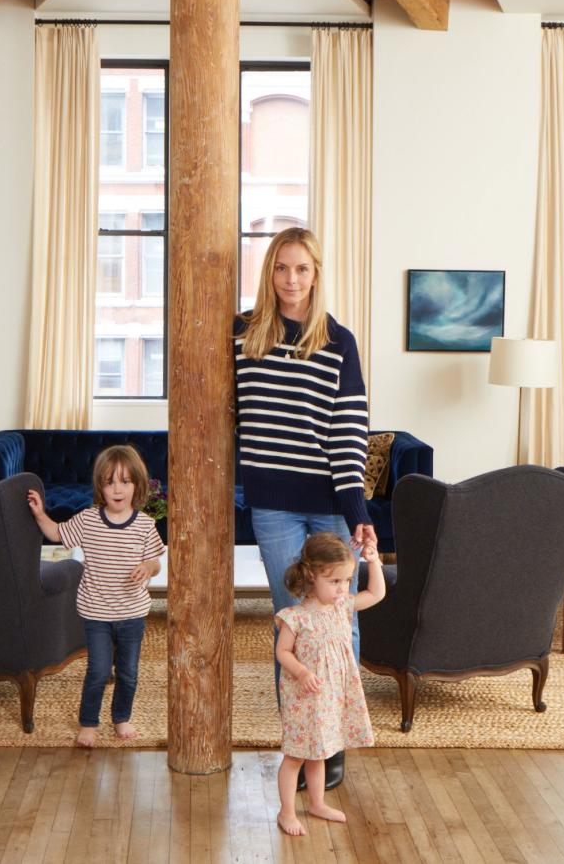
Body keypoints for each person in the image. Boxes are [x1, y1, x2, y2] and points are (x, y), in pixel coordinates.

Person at [234, 226, 377, 790]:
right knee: (293, 622)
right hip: (272, 504)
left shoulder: (338, 341)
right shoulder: (243, 335)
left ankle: (334, 741)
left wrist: (356, 507)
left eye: (302, 269)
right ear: (269, 273)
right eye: (281, 268)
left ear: (316, 275)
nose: (291, 280)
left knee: (339, 622)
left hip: (330, 503)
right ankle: (302, 736)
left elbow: (348, 430)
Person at [27, 444, 165, 747]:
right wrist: (39, 513)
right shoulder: (88, 520)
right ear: (100, 487)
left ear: (137, 486)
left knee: (128, 672)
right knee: (99, 670)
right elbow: (56, 534)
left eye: (125, 481)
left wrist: (147, 567)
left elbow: (155, 561)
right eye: (110, 481)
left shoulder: (144, 525)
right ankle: (89, 722)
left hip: (132, 614)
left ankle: (121, 718)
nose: (118, 489)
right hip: (96, 613)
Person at [275, 532, 386, 836]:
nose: (342, 589)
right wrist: (301, 672)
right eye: (335, 582)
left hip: (331, 696)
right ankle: (286, 811)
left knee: (322, 751)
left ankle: (317, 802)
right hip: (304, 697)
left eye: (347, 581)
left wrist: (373, 562)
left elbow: (376, 594)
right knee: (297, 754)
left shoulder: (342, 606)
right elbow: (282, 652)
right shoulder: (295, 617)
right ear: (312, 576)